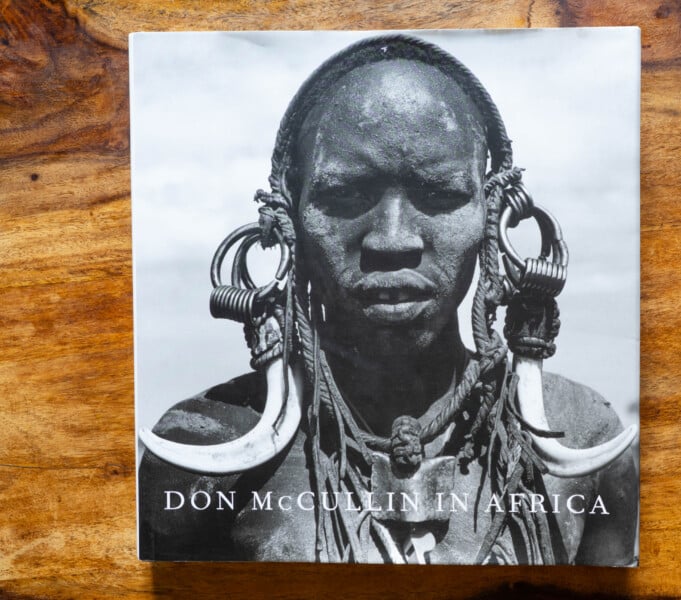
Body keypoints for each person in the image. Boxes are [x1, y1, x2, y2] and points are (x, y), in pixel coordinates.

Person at [138, 34, 638, 565]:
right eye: (346, 195)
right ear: (287, 216)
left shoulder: (584, 442)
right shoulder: (201, 454)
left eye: (439, 194)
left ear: (495, 213)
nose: (393, 239)